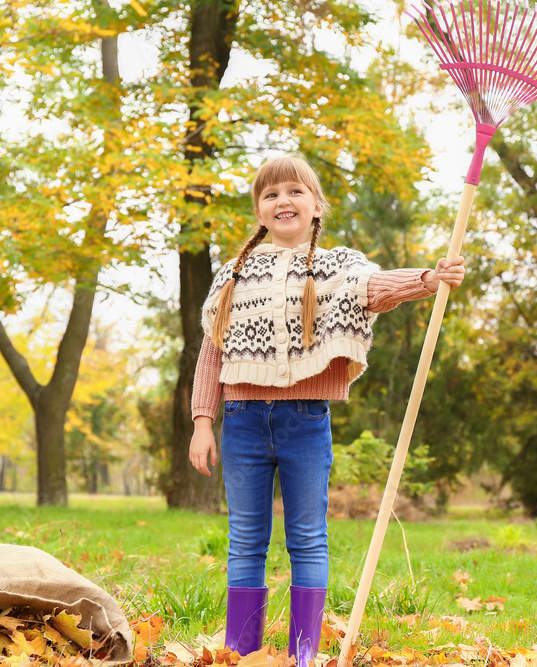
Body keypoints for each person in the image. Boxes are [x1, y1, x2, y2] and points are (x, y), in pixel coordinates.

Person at [189, 155, 465, 666]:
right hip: (243, 423)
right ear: (259, 211)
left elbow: (374, 290)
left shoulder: (339, 266)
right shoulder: (233, 275)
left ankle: (303, 653)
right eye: (270, 195)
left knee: (307, 537)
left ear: (316, 206)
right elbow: (212, 351)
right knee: (245, 538)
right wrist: (203, 422)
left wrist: (427, 278)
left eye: (295, 191)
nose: (282, 201)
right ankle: (240, 648)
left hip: (306, 421)